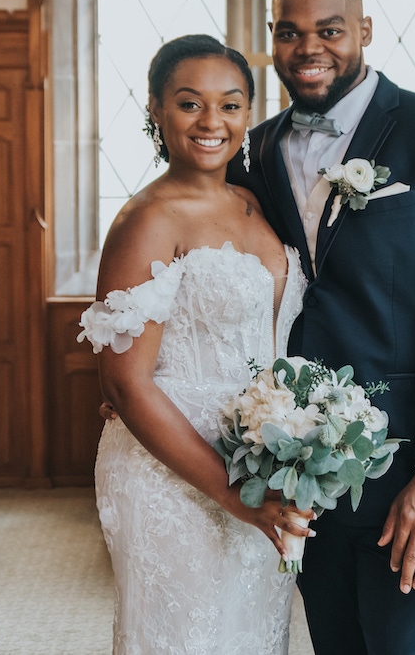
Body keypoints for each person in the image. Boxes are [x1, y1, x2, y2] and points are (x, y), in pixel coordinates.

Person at [227, 0, 415, 655]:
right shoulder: (255, 149)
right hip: (300, 470)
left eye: (329, 30)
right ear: (272, 38)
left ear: (365, 30)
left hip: (410, 468)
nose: (309, 48)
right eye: (289, 33)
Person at [84, 34, 312, 654]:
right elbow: (125, 384)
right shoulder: (148, 219)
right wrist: (234, 495)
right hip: (173, 473)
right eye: (190, 104)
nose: (212, 121)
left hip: (261, 459)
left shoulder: (252, 201)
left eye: (231, 104)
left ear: (248, 113)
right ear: (155, 110)